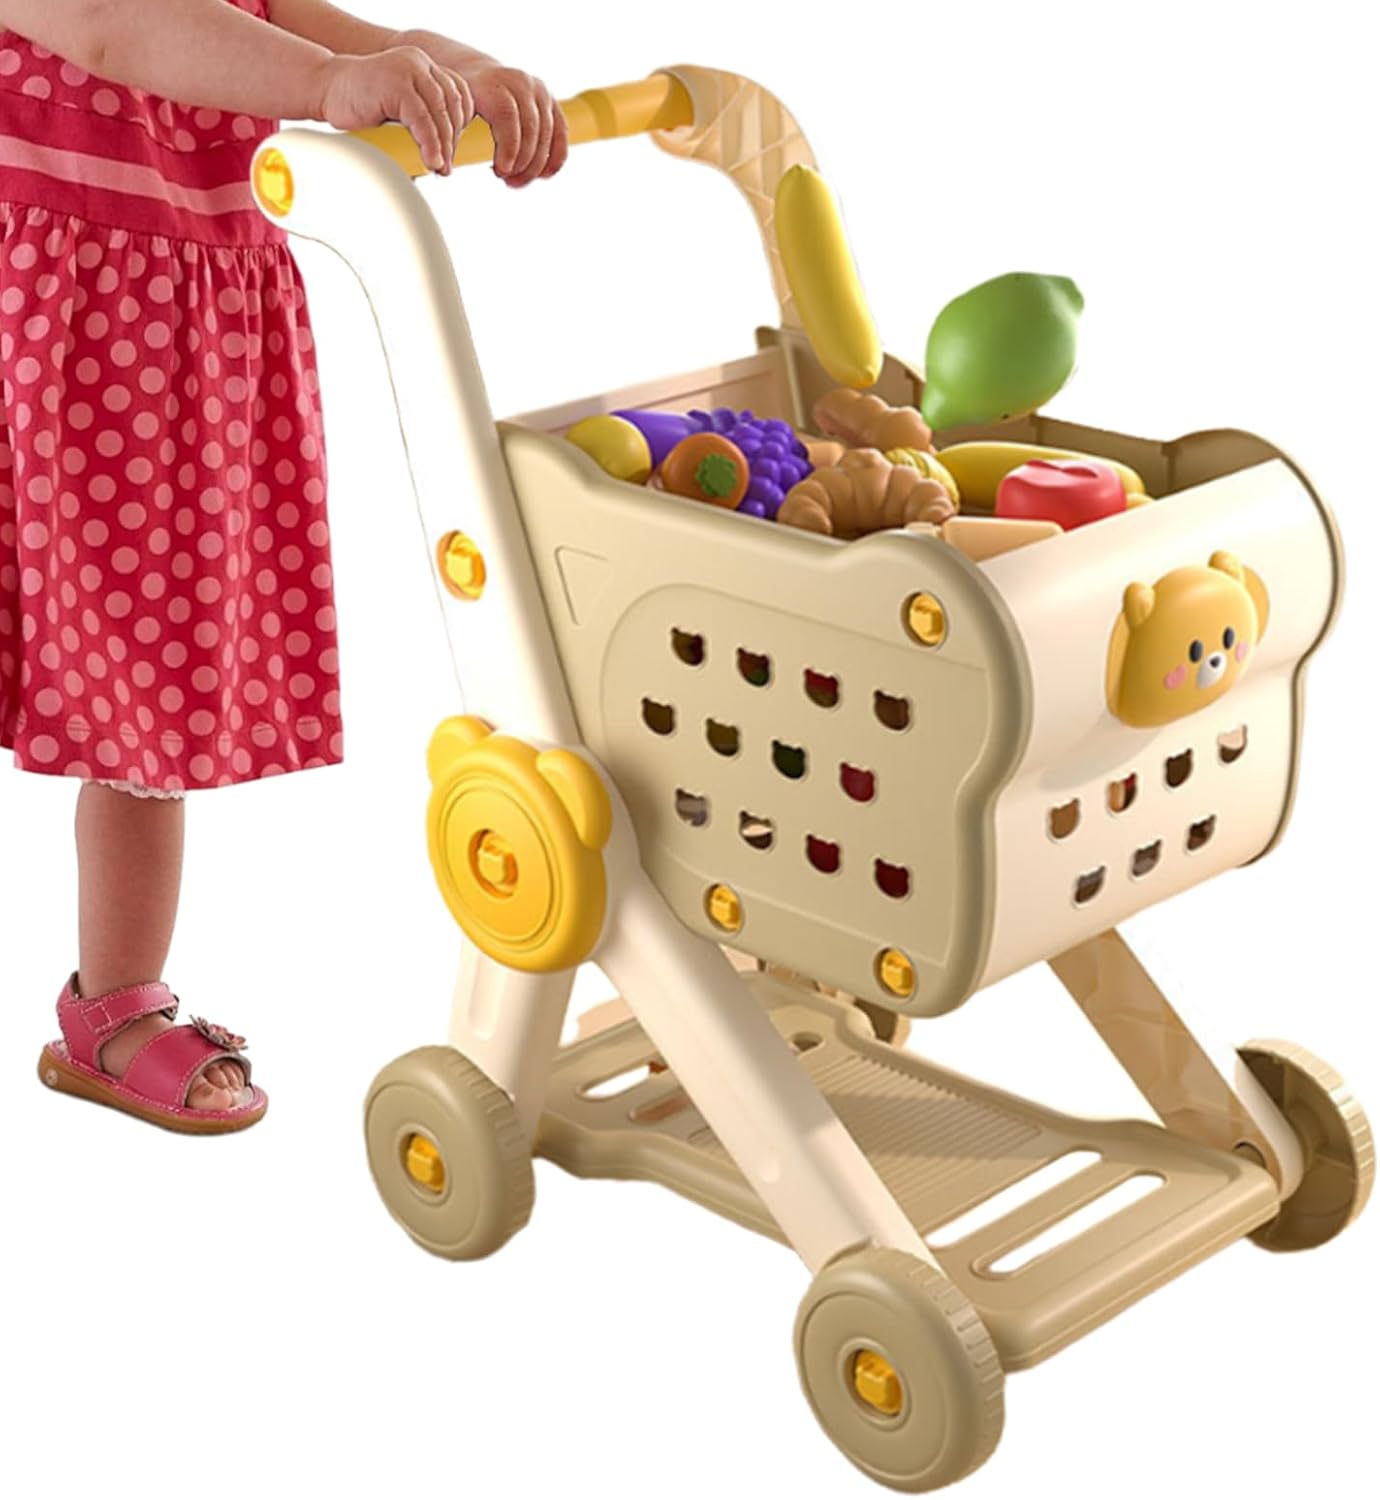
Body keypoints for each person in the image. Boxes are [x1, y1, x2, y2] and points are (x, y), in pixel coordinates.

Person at [0, 0, 567, 1132]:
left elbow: (314, 25)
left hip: (163, 336)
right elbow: (114, 26)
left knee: (144, 691)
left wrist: (457, 71)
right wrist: (325, 89)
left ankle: (111, 1005)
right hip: (51, 315)